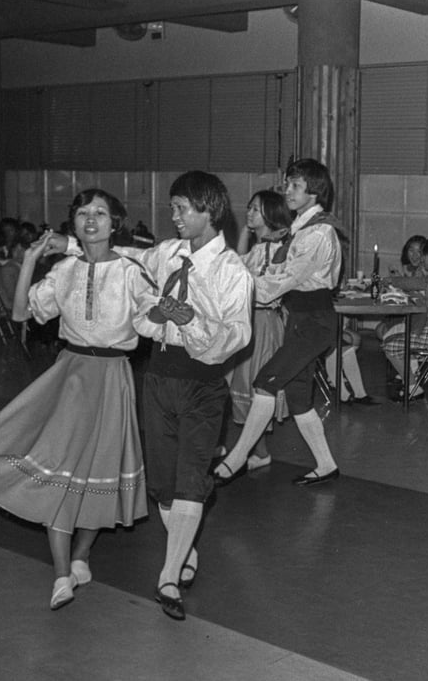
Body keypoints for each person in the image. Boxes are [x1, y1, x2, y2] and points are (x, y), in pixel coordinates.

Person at [42, 172, 252, 621]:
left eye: (181, 209)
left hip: (203, 381)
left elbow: (237, 335)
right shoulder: (167, 254)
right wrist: (73, 247)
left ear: (208, 211)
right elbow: (126, 256)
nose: (173, 217)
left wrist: (190, 319)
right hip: (158, 377)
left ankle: (169, 576)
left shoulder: (233, 271)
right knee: (162, 482)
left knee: (192, 476)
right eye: (172, 207)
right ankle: (184, 547)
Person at [0, 189, 151, 610]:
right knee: (62, 468)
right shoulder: (63, 271)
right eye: (83, 213)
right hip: (71, 376)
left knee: (99, 470)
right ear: (73, 223)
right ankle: (61, 573)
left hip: (114, 378)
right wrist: (32, 260)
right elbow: (20, 316)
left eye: (101, 213)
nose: (91, 220)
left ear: (115, 222)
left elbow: (151, 315)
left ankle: (82, 554)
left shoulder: (132, 269)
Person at [213, 158, 345, 488]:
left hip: (314, 320)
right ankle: (326, 464)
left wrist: (239, 291)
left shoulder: (318, 233)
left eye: (296, 186)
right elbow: (271, 272)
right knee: (299, 399)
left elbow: (285, 280)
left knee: (265, 382)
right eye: (287, 184)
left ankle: (237, 457)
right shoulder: (299, 229)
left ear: (314, 193)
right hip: (299, 319)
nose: (287, 190)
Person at [226, 189, 292, 470]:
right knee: (244, 383)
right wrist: (245, 231)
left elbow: (246, 279)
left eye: (256, 209)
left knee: (254, 384)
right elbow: (239, 265)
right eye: (249, 207)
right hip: (251, 319)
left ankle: (259, 453)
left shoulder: (274, 251)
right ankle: (255, 450)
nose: (249, 212)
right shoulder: (259, 248)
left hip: (262, 321)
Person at [381, 237, 428, 399]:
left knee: (390, 345)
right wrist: (392, 280)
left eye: (425, 255)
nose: (421, 259)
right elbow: (416, 282)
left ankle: (413, 386)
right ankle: (411, 381)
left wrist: (415, 331)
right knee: (392, 338)